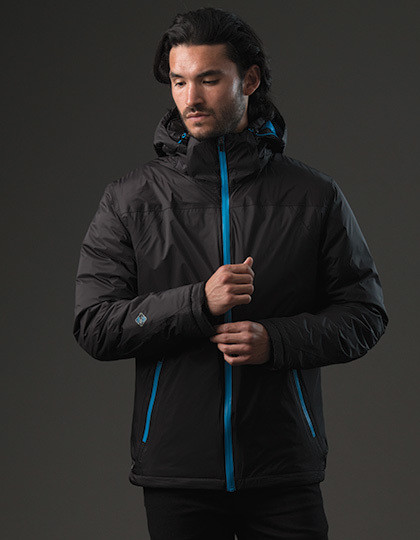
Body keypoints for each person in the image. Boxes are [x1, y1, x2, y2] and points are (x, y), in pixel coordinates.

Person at [73, 7, 389, 539]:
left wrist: (275, 341)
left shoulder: (314, 196)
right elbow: (95, 326)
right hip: (178, 473)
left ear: (251, 80)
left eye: (209, 79)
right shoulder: (130, 200)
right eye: (179, 81)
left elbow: (365, 315)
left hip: (283, 467)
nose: (190, 98)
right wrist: (197, 303)